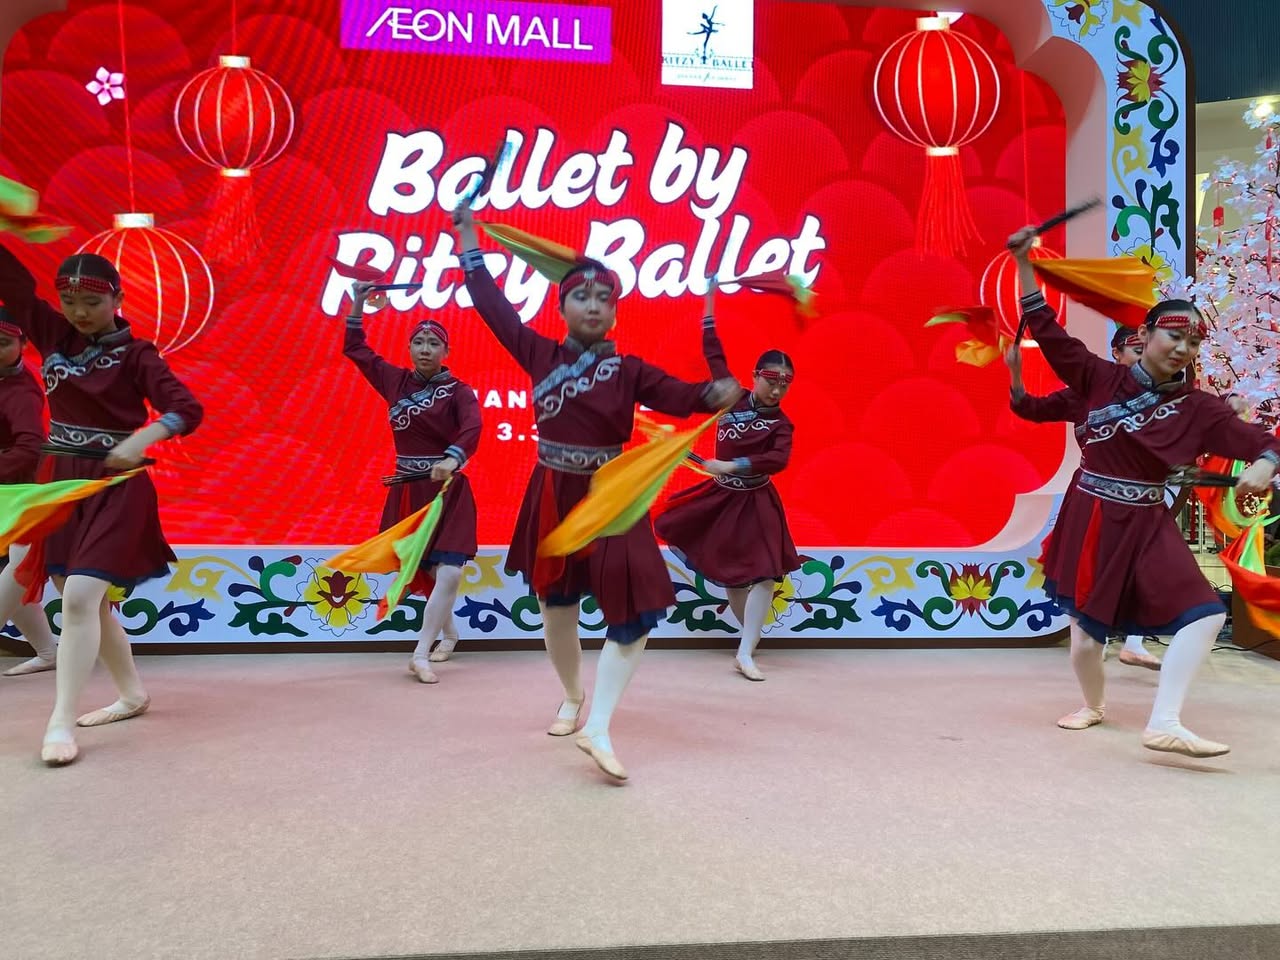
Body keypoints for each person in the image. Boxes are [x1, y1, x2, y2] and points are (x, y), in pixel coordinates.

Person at [452, 206, 740, 781]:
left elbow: (685, 397)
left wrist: (718, 392)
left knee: (636, 613)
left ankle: (599, 725)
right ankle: (571, 695)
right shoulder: (538, 354)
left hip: (613, 498)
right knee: (556, 609)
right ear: (560, 307)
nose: (593, 306)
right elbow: (492, 307)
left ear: (613, 312)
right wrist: (468, 241)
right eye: (581, 297)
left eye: (603, 300)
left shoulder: (631, 370)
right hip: (554, 490)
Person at [1010, 226, 1279, 758]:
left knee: (1205, 613)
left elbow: (1262, 440)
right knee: (1087, 640)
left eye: (1194, 341)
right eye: (1174, 335)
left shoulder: (1202, 411)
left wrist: (1266, 462)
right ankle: (1094, 705)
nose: (1183, 348)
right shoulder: (1095, 378)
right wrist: (1023, 262)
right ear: (1148, 333)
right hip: (1092, 515)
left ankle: (1165, 720)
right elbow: (1042, 321)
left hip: (1149, 520)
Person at [0, 245, 203, 766]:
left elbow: (187, 408)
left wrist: (146, 437)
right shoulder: (52, 334)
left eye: (91, 301)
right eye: (68, 299)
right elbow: (15, 281)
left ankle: (60, 721)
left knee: (79, 597)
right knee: (81, 597)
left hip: (117, 486)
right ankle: (132, 693)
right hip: (61, 482)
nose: (78, 311)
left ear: (118, 298)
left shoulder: (139, 355)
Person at [655, 278, 800, 681]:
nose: (777, 388)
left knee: (767, 575)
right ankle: (747, 643)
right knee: (734, 581)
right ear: (756, 375)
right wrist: (708, 301)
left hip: (757, 500)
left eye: (785, 383)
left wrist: (732, 465)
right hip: (720, 499)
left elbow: (777, 460)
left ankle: (744, 651)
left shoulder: (781, 423)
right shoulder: (731, 397)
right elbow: (712, 351)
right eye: (772, 379)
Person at [343, 281, 480, 683]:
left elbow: (473, 427)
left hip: (445, 491)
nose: (425, 349)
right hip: (407, 490)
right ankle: (449, 634)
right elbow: (356, 350)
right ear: (409, 348)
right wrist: (355, 301)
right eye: (418, 341)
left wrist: (452, 457)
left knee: (450, 572)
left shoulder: (459, 391)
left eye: (433, 343)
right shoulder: (395, 382)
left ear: (446, 352)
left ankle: (419, 653)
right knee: (430, 574)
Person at [1007, 326, 1163, 669]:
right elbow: (1030, 408)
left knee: (1145, 567)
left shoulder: (1159, 395)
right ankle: (1097, 638)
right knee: (1092, 568)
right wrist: (1016, 372)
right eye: (1136, 350)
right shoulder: (1088, 392)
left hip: (1140, 498)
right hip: (1093, 494)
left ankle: (1134, 642)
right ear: (1116, 353)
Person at [0, 308, 59, 677]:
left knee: (18, 568)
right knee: (17, 571)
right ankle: (48, 653)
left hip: (23, 494)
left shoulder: (21, 392)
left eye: (3, 343)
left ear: (23, 343)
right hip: (11, 494)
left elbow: (29, 449)